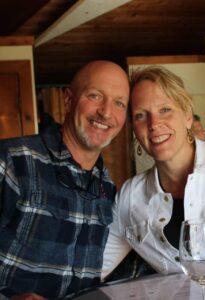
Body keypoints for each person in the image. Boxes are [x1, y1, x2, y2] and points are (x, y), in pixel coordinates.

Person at [0, 60, 130, 299]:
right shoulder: (12, 160)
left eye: (119, 103)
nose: (106, 112)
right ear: (68, 100)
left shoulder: (108, 190)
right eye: (95, 95)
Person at [102, 66, 205, 280]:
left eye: (165, 110)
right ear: (133, 129)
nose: (154, 124)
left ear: (187, 115)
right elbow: (95, 268)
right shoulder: (131, 198)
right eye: (141, 115)